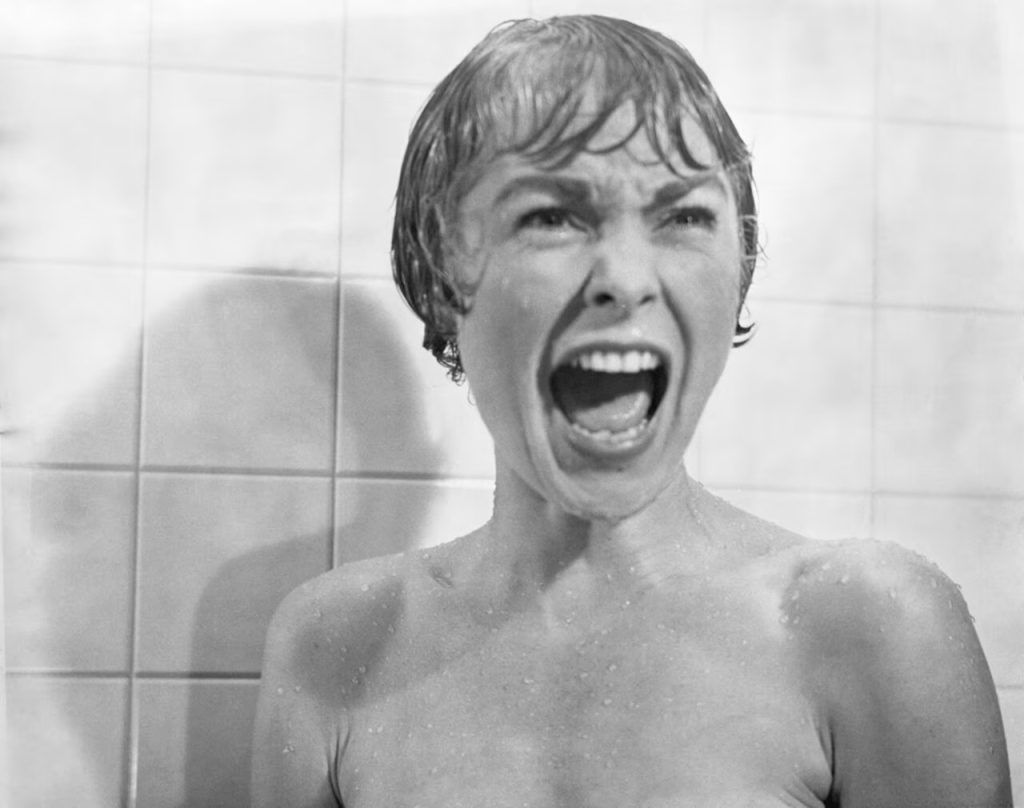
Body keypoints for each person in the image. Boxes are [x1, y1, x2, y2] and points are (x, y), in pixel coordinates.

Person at [252, 15, 1012, 807]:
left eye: (683, 217)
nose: (625, 277)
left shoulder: (866, 629)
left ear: (740, 265)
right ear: (440, 274)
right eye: (551, 216)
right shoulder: (330, 650)